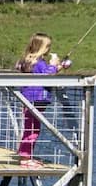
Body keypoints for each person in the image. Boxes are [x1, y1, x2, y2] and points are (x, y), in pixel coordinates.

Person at [15, 33, 71, 168]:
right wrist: (53, 64)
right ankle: (25, 158)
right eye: (47, 46)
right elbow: (47, 73)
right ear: (41, 47)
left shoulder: (27, 61)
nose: (49, 49)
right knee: (32, 129)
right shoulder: (38, 62)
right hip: (36, 99)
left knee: (31, 128)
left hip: (30, 99)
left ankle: (26, 155)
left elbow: (45, 72)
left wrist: (59, 66)